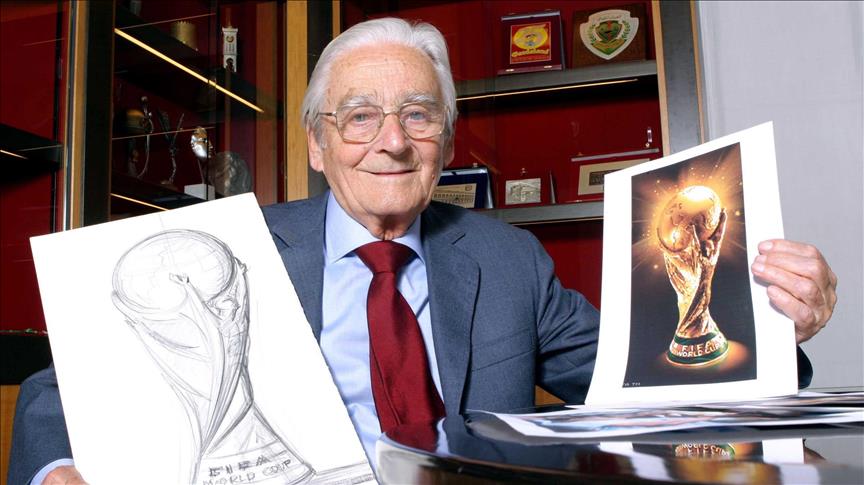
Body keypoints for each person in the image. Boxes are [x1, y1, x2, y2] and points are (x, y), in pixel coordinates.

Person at [9, 17, 837, 485]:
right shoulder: (237, 246)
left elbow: (647, 380)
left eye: (418, 114)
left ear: (444, 138)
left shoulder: (508, 259)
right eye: (359, 116)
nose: (393, 141)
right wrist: (59, 473)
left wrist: (766, 323)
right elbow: (57, 391)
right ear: (316, 144)